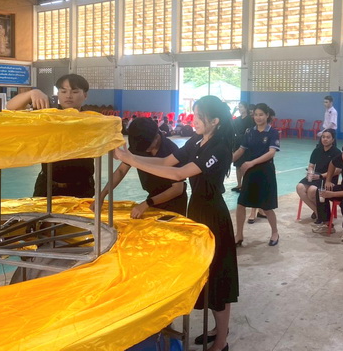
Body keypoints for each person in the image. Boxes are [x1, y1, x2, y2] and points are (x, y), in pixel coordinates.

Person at [115, 95, 238, 351]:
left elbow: (179, 174)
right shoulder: (197, 140)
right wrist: (130, 157)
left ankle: (221, 341)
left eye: (199, 116)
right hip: (197, 212)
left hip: (214, 215)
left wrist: (133, 160)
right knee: (205, 277)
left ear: (215, 121)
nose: (194, 120)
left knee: (218, 277)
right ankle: (218, 328)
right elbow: (165, 162)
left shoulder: (219, 148)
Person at [6, 74, 94, 198]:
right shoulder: (48, 114)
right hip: (48, 186)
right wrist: (32, 93)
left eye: (74, 92)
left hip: (82, 188)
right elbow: (11, 107)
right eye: (63, 91)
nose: (68, 95)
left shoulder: (93, 119)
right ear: (58, 94)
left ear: (85, 95)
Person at [93, 117, 187, 218]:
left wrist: (148, 203)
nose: (144, 151)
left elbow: (177, 189)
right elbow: (121, 171)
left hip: (173, 202)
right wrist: (102, 195)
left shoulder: (171, 150)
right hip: (152, 197)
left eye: (147, 148)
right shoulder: (139, 144)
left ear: (156, 137)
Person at [233, 103, 280, 246]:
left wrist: (252, 162)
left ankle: (275, 232)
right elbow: (241, 150)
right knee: (241, 204)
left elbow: (271, 153)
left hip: (265, 172)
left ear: (267, 115)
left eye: (261, 115)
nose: (258, 118)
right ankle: (239, 235)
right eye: (256, 115)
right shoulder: (250, 132)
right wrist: (226, 161)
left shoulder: (273, 132)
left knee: (267, 207)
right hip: (250, 172)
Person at [296, 129, 340, 221]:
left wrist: (321, 176)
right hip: (316, 176)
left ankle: (321, 214)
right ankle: (318, 212)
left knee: (312, 190)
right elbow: (311, 165)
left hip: (328, 178)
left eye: (328, 137)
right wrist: (310, 172)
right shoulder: (317, 150)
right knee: (300, 187)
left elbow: (337, 171)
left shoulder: (336, 152)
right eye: (323, 137)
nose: (325, 139)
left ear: (333, 139)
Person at [231, 101, 255, 193]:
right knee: (237, 165)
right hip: (237, 143)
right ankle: (239, 184)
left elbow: (250, 132)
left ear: (245, 108)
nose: (240, 109)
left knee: (244, 165)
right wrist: (233, 112)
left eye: (241, 107)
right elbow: (230, 123)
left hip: (245, 144)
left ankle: (245, 185)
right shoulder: (237, 119)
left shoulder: (250, 120)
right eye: (239, 107)